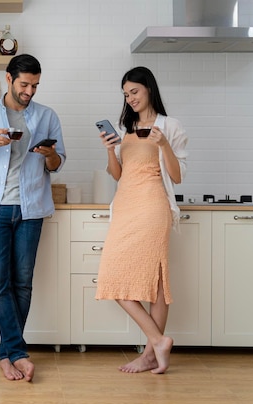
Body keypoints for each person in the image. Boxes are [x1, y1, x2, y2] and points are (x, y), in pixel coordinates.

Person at [0, 54, 66, 382]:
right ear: (8, 79)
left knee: (22, 283)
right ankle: (18, 352)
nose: (30, 91)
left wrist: (50, 155)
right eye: (24, 84)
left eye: (35, 85)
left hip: (31, 209)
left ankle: (7, 356)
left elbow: (58, 164)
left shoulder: (48, 116)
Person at [95, 66, 188, 374]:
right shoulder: (126, 127)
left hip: (152, 204)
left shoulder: (170, 126)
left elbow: (177, 176)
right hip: (125, 205)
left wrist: (163, 144)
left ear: (149, 89)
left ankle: (151, 352)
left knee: (157, 280)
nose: (130, 98)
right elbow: (119, 174)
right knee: (113, 277)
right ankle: (158, 342)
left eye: (134, 92)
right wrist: (111, 150)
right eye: (126, 94)